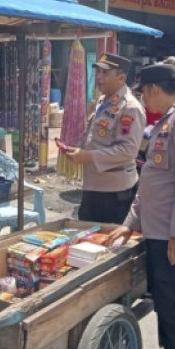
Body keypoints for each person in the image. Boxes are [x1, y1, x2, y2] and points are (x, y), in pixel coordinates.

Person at [110, 63, 175, 349]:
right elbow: (151, 181)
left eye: (144, 94)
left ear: (154, 89)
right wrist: (130, 222)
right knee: (165, 302)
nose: (143, 101)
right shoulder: (165, 124)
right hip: (159, 232)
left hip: (174, 236)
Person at [65, 53, 145, 224]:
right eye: (98, 72)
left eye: (105, 73)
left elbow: (128, 151)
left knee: (109, 244)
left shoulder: (130, 107)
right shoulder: (103, 100)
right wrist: (78, 149)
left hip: (114, 192)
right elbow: (94, 136)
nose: (99, 77)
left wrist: (89, 156)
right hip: (93, 185)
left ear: (121, 77)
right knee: (87, 237)